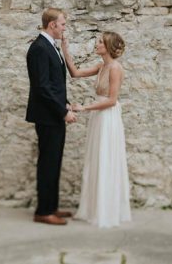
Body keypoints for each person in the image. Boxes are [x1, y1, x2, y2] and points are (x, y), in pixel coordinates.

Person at [61, 31, 131, 228]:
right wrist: (65, 49)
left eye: (100, 42)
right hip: (98, 117)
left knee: (105, 158)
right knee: (95, 159)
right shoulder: (102, 66)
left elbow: (111, 100)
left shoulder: (115, 68)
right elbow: (75, 73)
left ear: (108, 46)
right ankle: (92, 208)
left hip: (108, 117)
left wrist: (84, 107)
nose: (97, 44)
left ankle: (106, 210)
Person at [26, 8, 77, 226]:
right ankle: (43, 211)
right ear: (52, 25)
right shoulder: (39, 48)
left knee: (54, 162)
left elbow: (55, 84)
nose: (65, 27)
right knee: (47, 163)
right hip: (47, 117)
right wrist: (63, 111)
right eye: (63, 24)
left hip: (53, 114)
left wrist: (64, 104)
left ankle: (52, 206)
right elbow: (42, 87)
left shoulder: (50, 46)